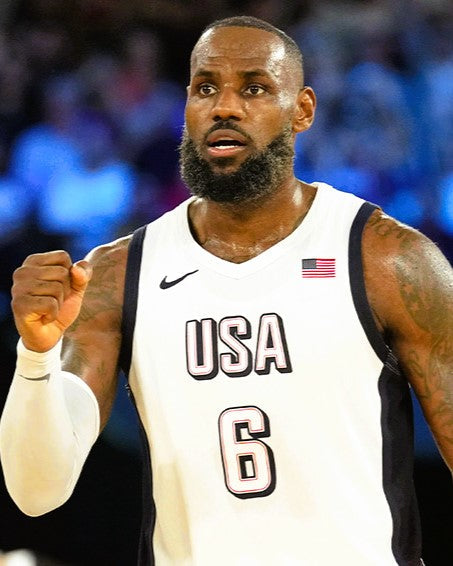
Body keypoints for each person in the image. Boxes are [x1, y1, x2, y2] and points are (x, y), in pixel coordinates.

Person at [0, 15, 452, 566]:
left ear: (303, 110)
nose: (224, 107)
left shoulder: (386, 258)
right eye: (206, 88)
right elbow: (37, 490)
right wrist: (35, 356)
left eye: (255, 88)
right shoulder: (119, 274)